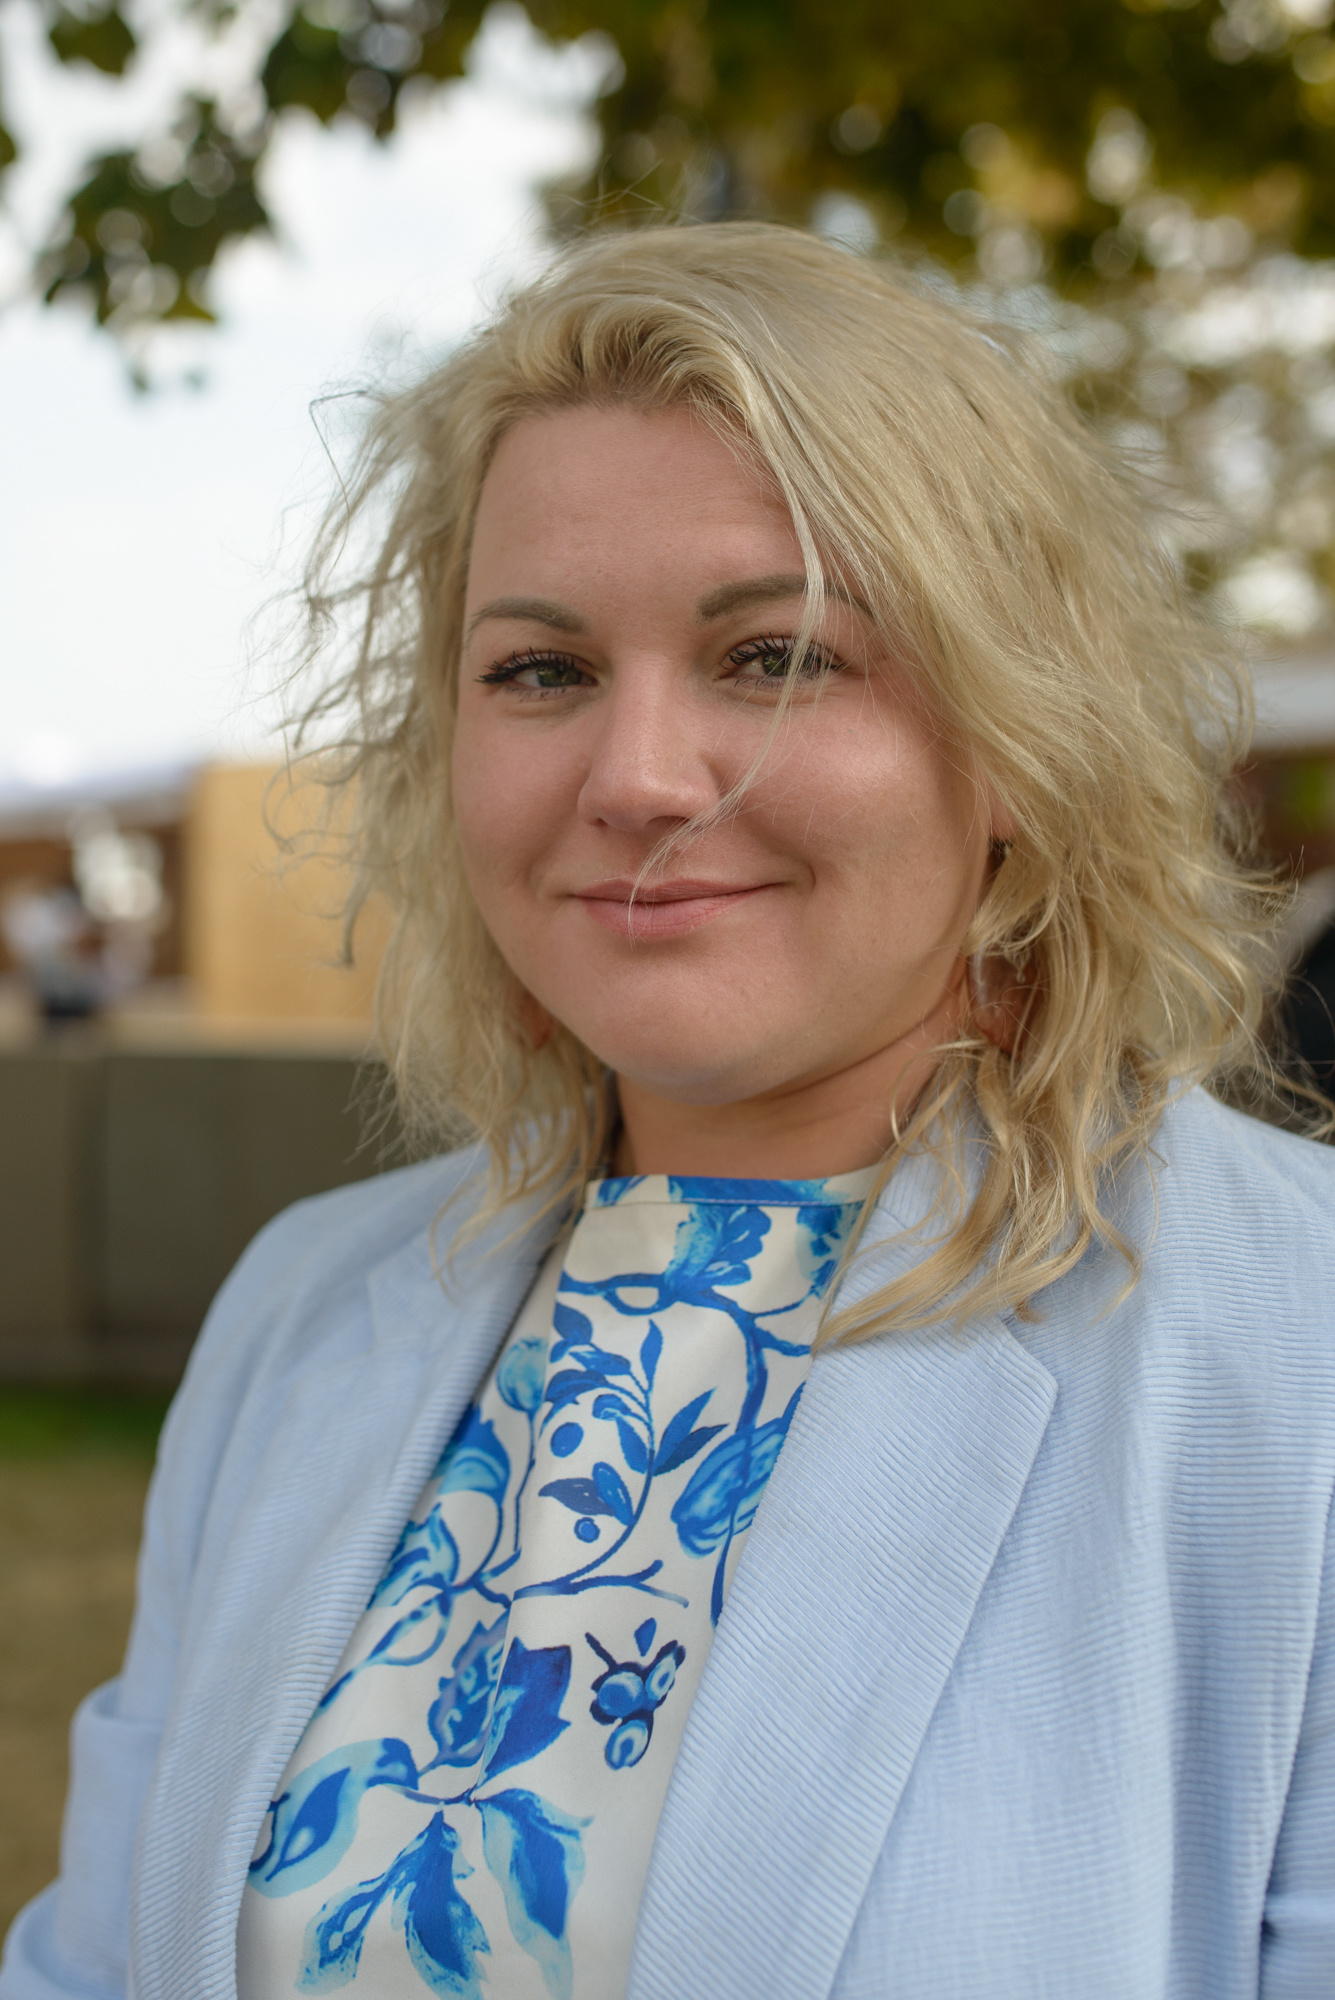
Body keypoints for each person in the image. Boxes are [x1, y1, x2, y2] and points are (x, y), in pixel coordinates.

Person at [4, 221, 1334, 2000]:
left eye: (775, 655)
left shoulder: (1294, 1359)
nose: (634, 780)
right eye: (541, 670)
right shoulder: (301, 1313)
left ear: (1019, 736)